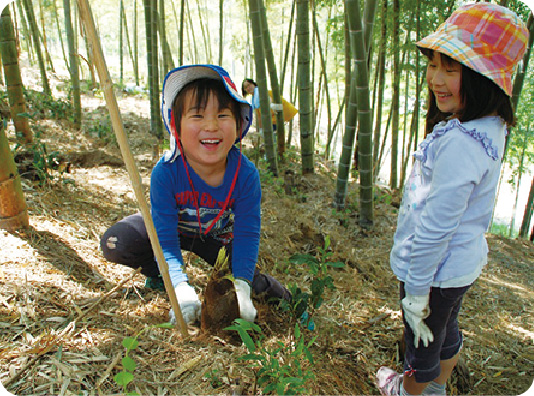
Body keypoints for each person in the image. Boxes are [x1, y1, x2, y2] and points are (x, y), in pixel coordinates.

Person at [375, 3, 528, 396]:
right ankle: (439, 388)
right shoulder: (488, 125)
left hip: (434, 272)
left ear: (481, 77)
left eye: (451, 69)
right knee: (445, 330)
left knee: (421, 345)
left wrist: (415, 291)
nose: (436, 80)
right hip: (460, 267)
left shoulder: (461, 143)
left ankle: (408, 392)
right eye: (434, 65)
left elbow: (434, 228)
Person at [101, 65, 290, 325]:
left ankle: (279, 296)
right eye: (197, 116)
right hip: (174, 230)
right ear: (176, 126)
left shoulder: (245, 175)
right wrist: (179, 287)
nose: (211, 126)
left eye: (223, 115)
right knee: (117, 242)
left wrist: (242, 289)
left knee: (258, 287)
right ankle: (162, 275)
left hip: (216, 236)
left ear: (238, 125)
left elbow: (246, 234)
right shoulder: (166, 172)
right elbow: (164, 234)